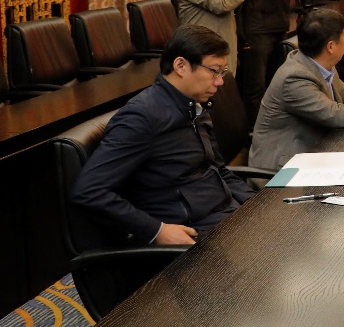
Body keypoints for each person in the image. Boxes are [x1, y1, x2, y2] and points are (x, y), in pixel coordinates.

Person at [71, 26, 256, 246]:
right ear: (181, 66)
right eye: (214, 71)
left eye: (222, 72)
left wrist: (256, 203)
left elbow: (218, 169)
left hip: (227, 215)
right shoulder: (141, 117)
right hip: (194, 234)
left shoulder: (195, 106)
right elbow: (89, 191)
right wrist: (156, 230)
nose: (220, 81)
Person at [249, 8, 344, 170]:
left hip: (316, 152)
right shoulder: (295, 77)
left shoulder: (320, 63)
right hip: (283, 168)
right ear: (331, 46)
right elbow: (334, 114)